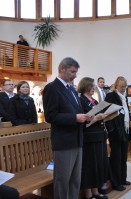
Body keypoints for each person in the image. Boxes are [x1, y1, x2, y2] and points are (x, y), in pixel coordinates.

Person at [43, 57, 91, 199]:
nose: (75, 75)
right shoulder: (52, 88)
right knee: (62, 181)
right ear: (62, 68)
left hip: (77, 139)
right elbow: (50, 116)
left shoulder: (71, 88)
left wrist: (89, 116)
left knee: (75, 180)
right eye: (72, 72)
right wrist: (74, 118)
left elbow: (77, 110)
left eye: (76, 72)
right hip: (64, 142)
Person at [78, 77, 109, 199]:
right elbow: (84, 123)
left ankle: (96, 192)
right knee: (90, 165)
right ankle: (88, 195)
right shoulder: (80, 101)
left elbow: (97, 116)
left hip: (99, 135)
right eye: (92, 86)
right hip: (89, 137)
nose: (94, 88)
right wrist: (96, 118)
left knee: (98, 165)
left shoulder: (94, 101)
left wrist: (105, 116)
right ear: (86, 86)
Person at [105, 76, 131, 192]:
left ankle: (123, 179)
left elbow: (124, 113)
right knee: (116, 157)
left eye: (125, 87)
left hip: (125, 129)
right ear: (116, 85)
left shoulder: (124, 98)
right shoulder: (111, 96)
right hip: (116, 131)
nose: (123, 89)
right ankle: (115, 182)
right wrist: (111, 130)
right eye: (121, 87)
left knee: (123, 156)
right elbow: (107, 114)